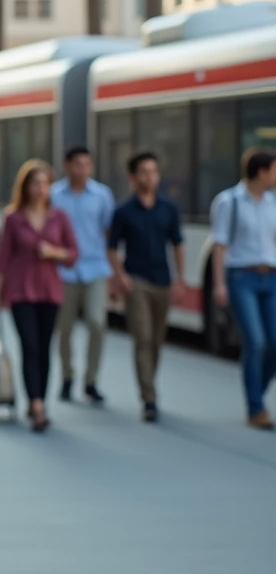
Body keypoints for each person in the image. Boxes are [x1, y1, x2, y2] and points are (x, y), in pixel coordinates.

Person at [0, 160, 78, 433]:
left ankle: (40, 398)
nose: (40, 189)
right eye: (35, 184)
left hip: (50, 292)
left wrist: (55, 253)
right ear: (24, 187)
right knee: (29, 345)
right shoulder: (13, 218)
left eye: (45, 184)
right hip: (20, 291)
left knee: (44, 348)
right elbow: (2, 259)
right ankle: (36, 404)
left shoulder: (59, 217)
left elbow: (73, 254)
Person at [107, 152, 185, 423]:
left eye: (154, 172)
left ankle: (149, 383)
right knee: (143, 338)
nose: (149, 177)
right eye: (144, 172)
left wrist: (180, 278)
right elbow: (112, 248)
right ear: (133, 177)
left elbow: (177, 244)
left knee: (157, 341)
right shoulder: (123, 211)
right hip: (136, 280)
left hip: (162, 279)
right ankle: (149, 397)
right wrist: (121, 276)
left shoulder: (169, 208)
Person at [210, 147, 276, 430]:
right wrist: (219, 283)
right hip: (242, 278)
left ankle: (255, 393)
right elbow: (220, 244)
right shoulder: (229, 201)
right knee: (256, 342)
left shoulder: (272, 202)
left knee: (274, 343)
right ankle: (255, 406)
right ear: (261, 172)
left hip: (271, 278)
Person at [49, 146, 116, 404]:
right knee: (64, 329)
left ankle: (91, 381)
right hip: (64, 271)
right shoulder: (54, 195)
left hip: (95, 268)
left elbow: (109, 233)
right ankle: (67, 377)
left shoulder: (102, 195)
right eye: (78, 164)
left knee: (97, 323)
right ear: (67, 166)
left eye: (87, 165)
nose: (83, 170)